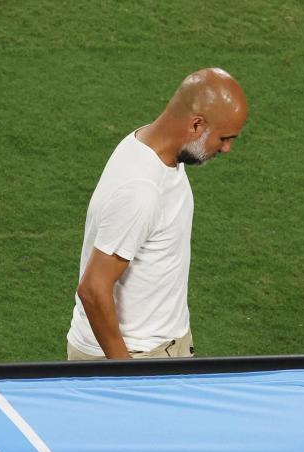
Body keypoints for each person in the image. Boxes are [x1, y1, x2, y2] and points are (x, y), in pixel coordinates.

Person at [66, 68, 248, 360]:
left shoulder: (153, 146)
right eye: (224, 138)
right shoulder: (141, 190)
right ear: (197, 125)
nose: (226, 148)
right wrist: (129, 375)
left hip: (161, 347)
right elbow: (93, 289)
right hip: (133, 356)